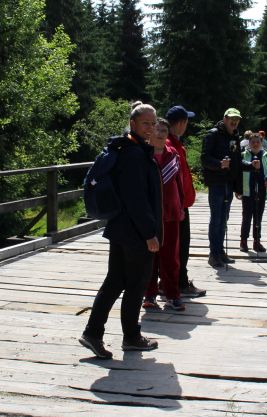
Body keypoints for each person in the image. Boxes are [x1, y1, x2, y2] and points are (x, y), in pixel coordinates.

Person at [79, 102, 161, 359]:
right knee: (136, 284)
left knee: (115, 281)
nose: (150, 128)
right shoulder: (134, 154)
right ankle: (131, 337)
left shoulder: (128, 148)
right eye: (145, 123)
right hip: (135, 232)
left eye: (153, 123)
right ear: (133, 123)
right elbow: (136, 199)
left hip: (120, 228)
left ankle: (93, 333)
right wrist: (149, 233)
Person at [143, 118, 186, 312]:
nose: (160, 133)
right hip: (150, 214)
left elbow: (179, 182)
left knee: (171, 257)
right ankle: (149, 293)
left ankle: (172, 295)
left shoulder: (173, 154)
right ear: (151, 131)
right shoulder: (144, 154)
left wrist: (181, 206)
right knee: (150, 255)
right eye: (157, 129)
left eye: (164, 131)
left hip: (171, 212)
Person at [165, 105, 206, 297]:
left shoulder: (173, 143)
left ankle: (169, 281)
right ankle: (180, 282)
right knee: (180, 247)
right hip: (177, 205)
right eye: (186, 121)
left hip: (179, 203)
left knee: (176, 246)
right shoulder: (171, 145)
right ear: (181, 123)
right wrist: (180, 204)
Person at [201, 108, 243, 268]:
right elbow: (204, 159)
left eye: (237, 119)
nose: (234, 122)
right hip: (216, 183)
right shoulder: (212, 134)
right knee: (216, 219)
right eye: (232, 119)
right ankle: (213, 254)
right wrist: (219, 164)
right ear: (225, 119)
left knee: (224, 218)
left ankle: (220, 252)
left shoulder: (235, 137)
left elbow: (237, 162)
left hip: (228, 184)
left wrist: (239, 186)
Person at [239, 133, 267, 253]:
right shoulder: (243, 155)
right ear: (249, 143)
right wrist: (238, 189)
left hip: (262, 190)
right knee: (246, 217)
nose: (255, 144)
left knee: (258, 217)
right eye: (253, 142)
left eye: (258, 142)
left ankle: (257, 241)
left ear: (261, 143)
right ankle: (243, 241)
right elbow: (238, 173)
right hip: (247, 190)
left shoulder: (266, 155)